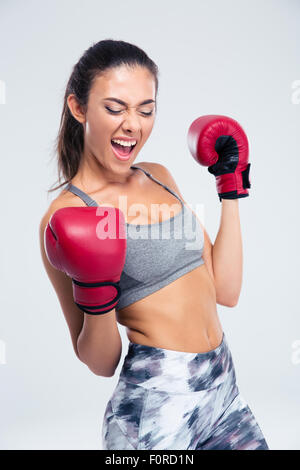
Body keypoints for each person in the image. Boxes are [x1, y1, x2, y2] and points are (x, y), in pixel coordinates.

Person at [39, 39, 269, 450]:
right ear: (78, 108)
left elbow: (226, 290)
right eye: (115, 108)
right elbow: (101, 362)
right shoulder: (67, 216)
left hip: (223, 391)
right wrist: (97, 292)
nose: (133, 124)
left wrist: (230, 188)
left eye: (146, 109)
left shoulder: (159, 174)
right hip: (153, 409)